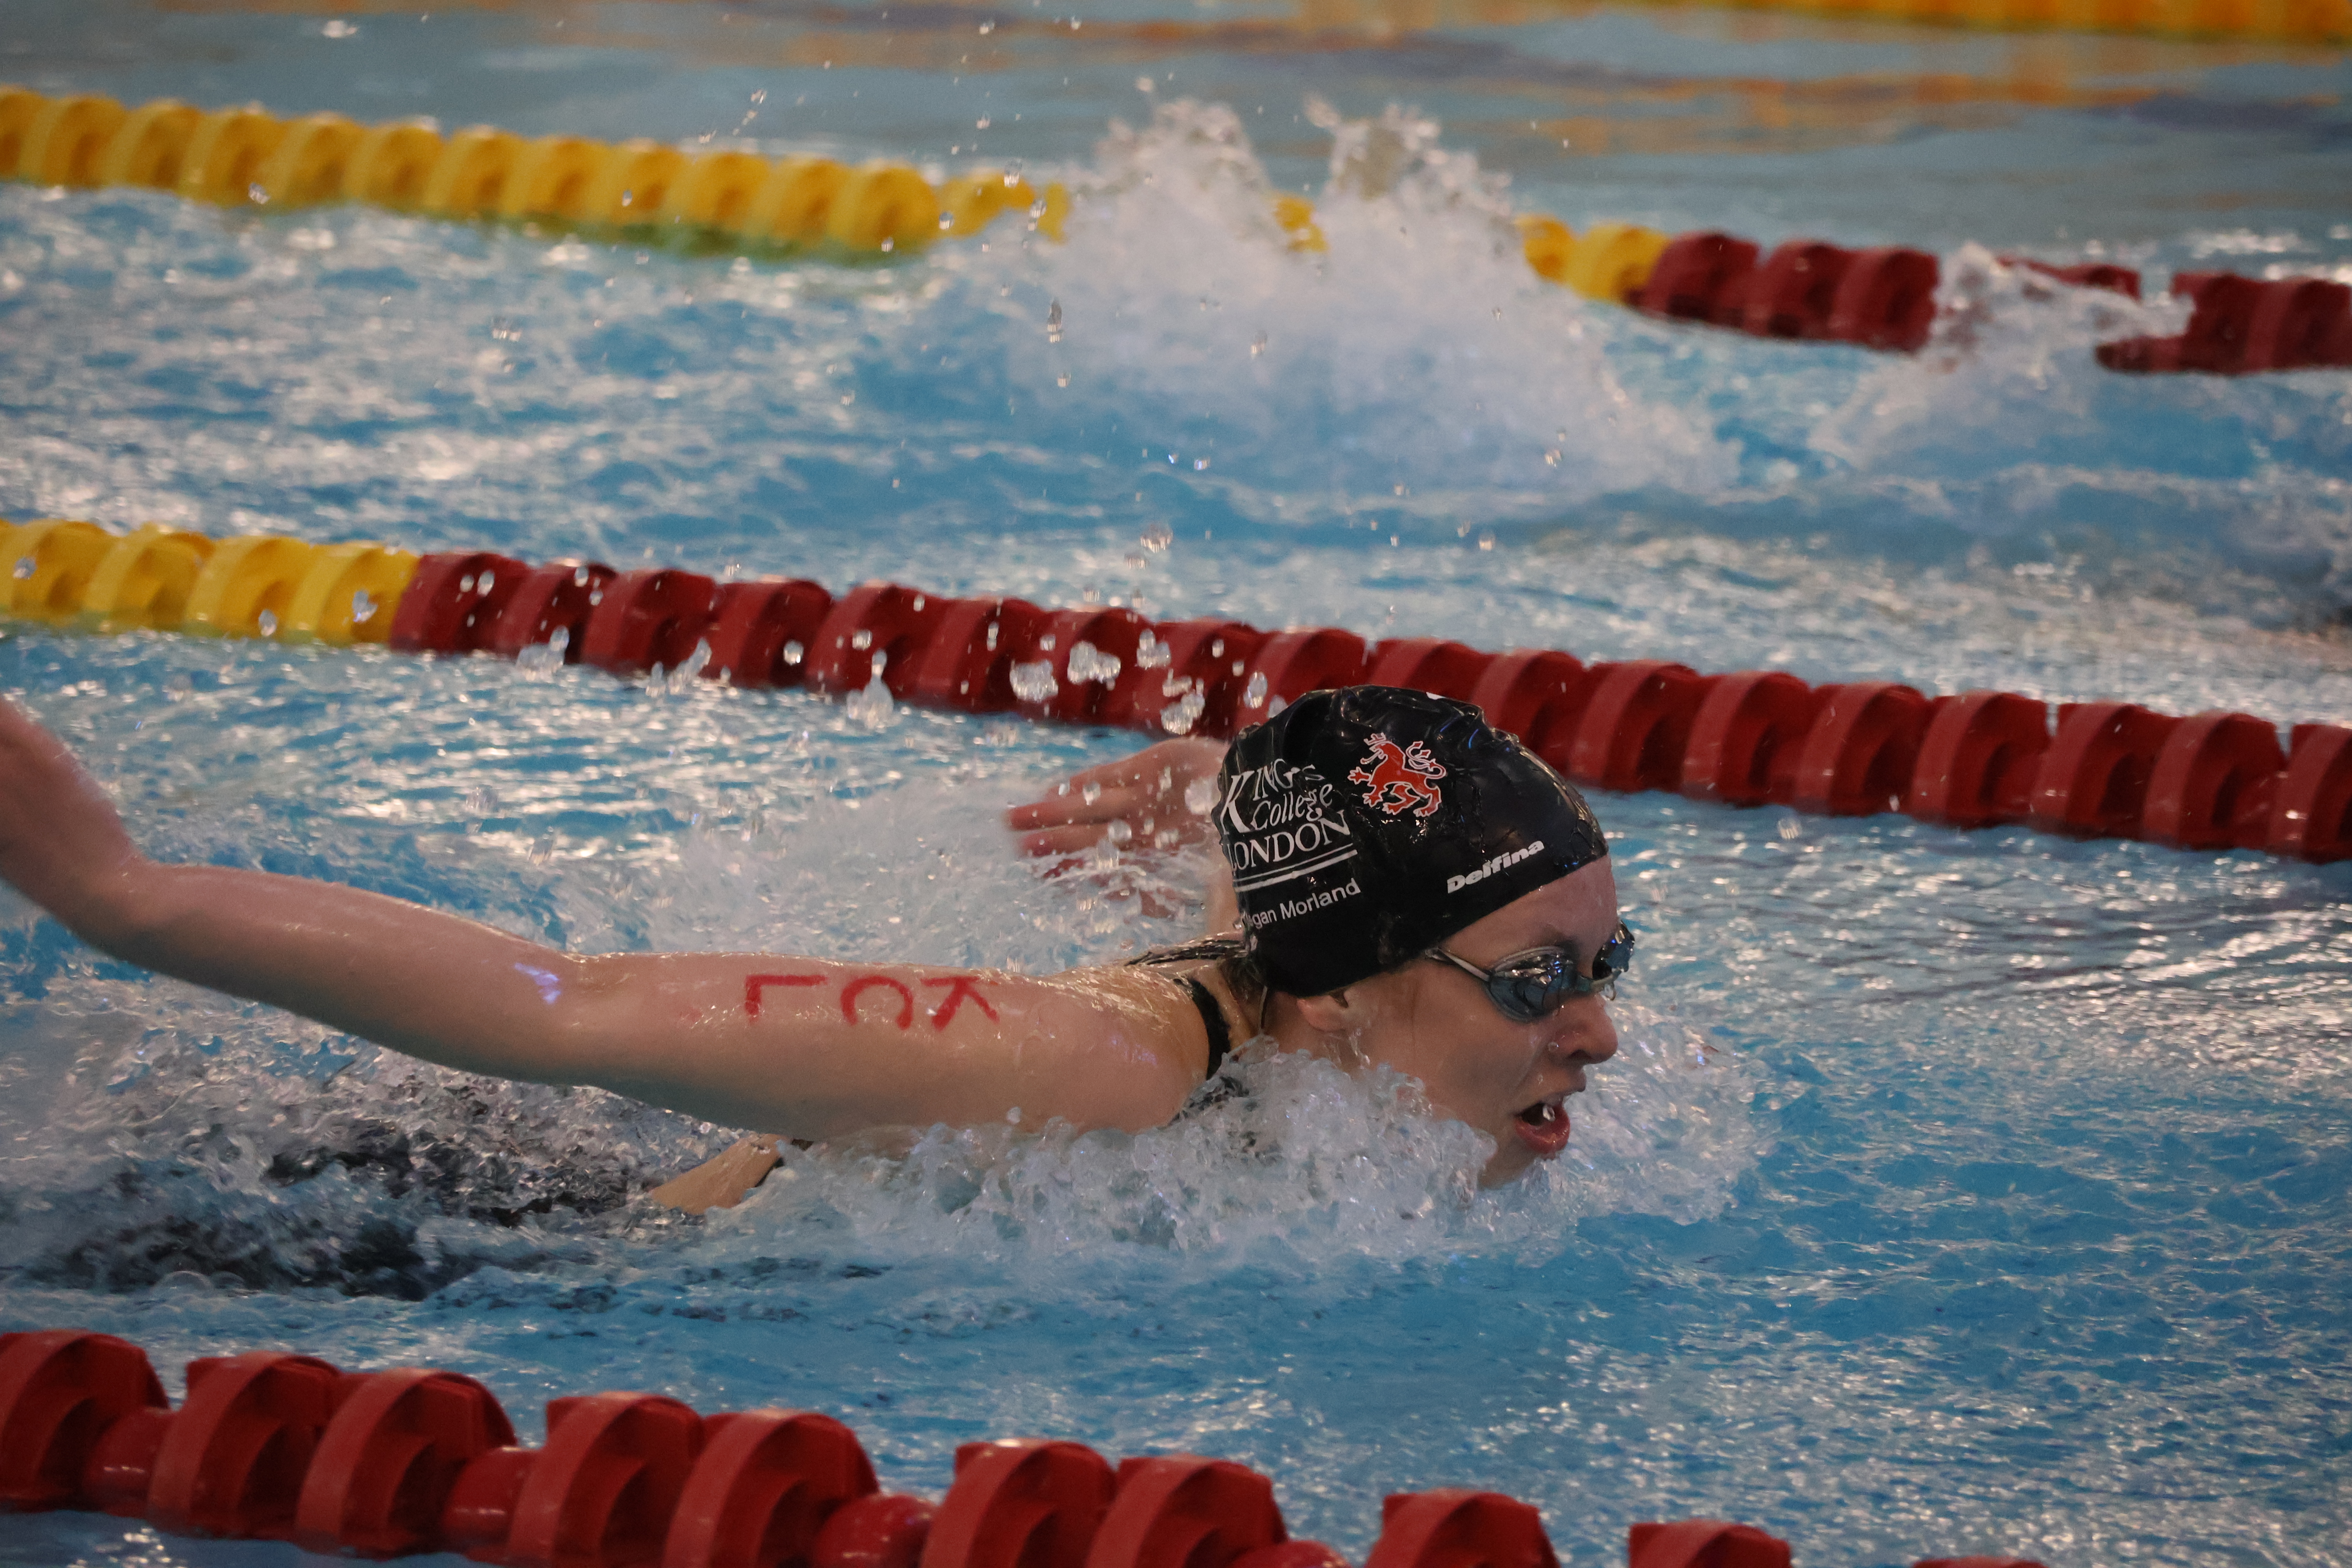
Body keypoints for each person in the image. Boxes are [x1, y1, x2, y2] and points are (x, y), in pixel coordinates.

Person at [0, 683, 1627, 1212]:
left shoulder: (1313, 982)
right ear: (1345, 992)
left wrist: (1212, 786)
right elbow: (565, 1004)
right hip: (489, 1229)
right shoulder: (1090, 1065)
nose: (1601, 1034)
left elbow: (1272, 896)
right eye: (1541, 980)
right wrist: (120, 896)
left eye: (1610, 961)